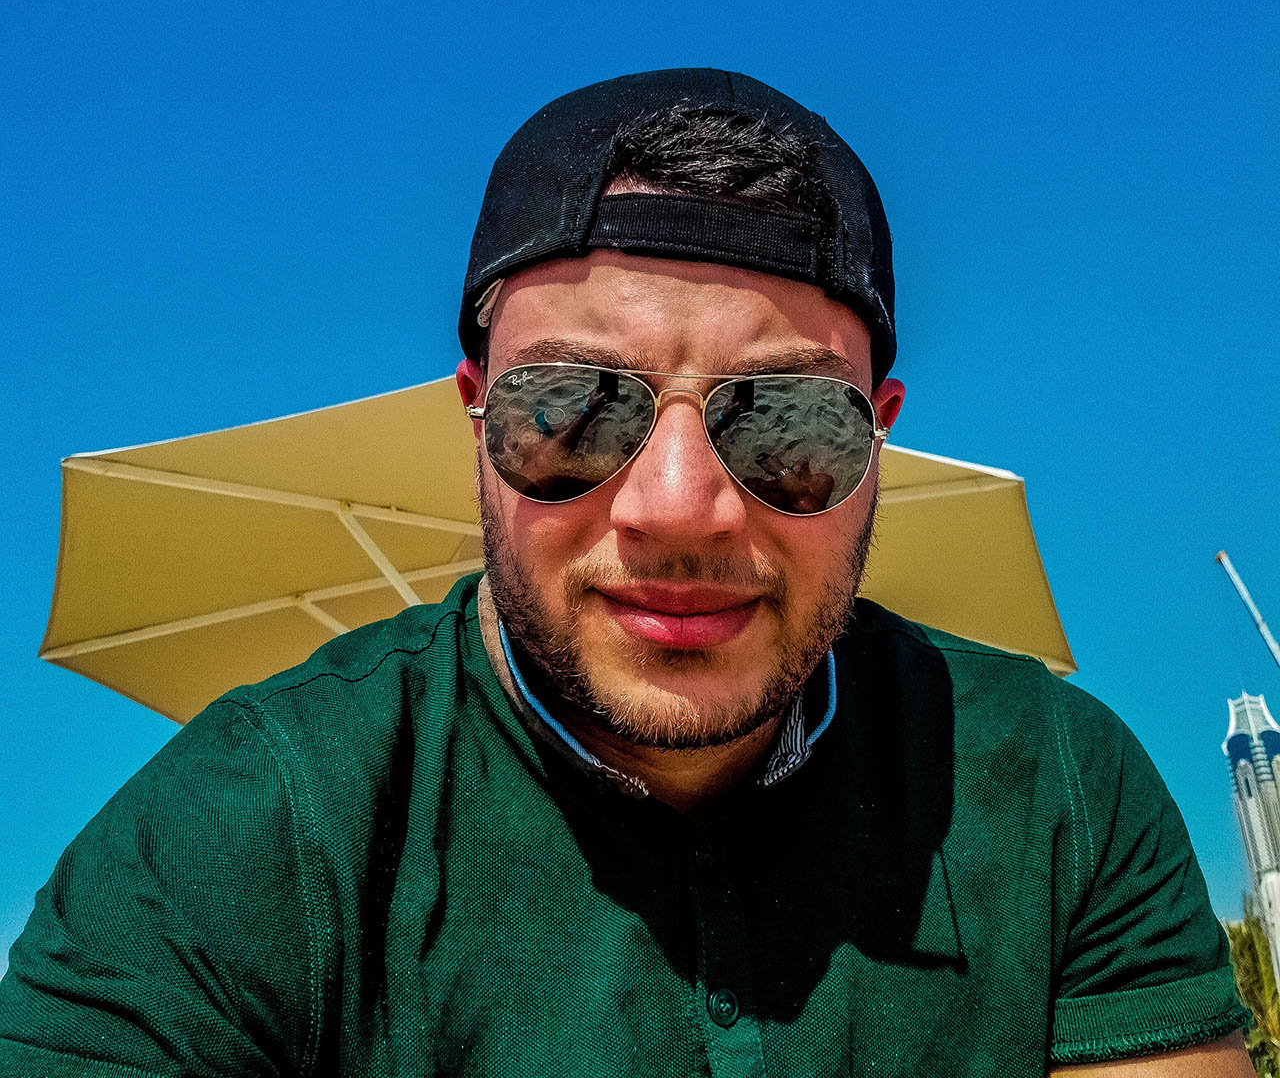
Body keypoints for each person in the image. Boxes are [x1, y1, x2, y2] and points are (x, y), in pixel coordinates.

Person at [0, 69, 1252, 1075]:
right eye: (571, 408)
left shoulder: (1055, 790)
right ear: (475, 414)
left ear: (878, 433)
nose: (677, 507)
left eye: (789, 423)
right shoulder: (243, 831)